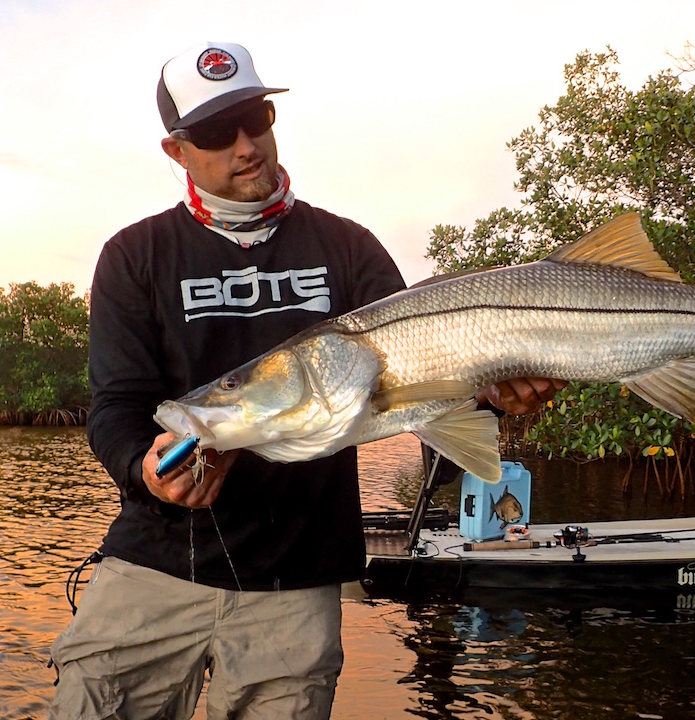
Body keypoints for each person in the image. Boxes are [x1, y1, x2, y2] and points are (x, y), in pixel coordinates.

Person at [48, 42, 562, 720]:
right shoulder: (134, 257)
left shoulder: (347, 247)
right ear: (177, 151)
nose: (245, 145)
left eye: (255, 117)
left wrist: (494, 395)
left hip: (299, 584)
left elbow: (424, 375)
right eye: (213, 131)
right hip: (152, 569)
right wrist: (143, 469)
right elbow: (116, 406)